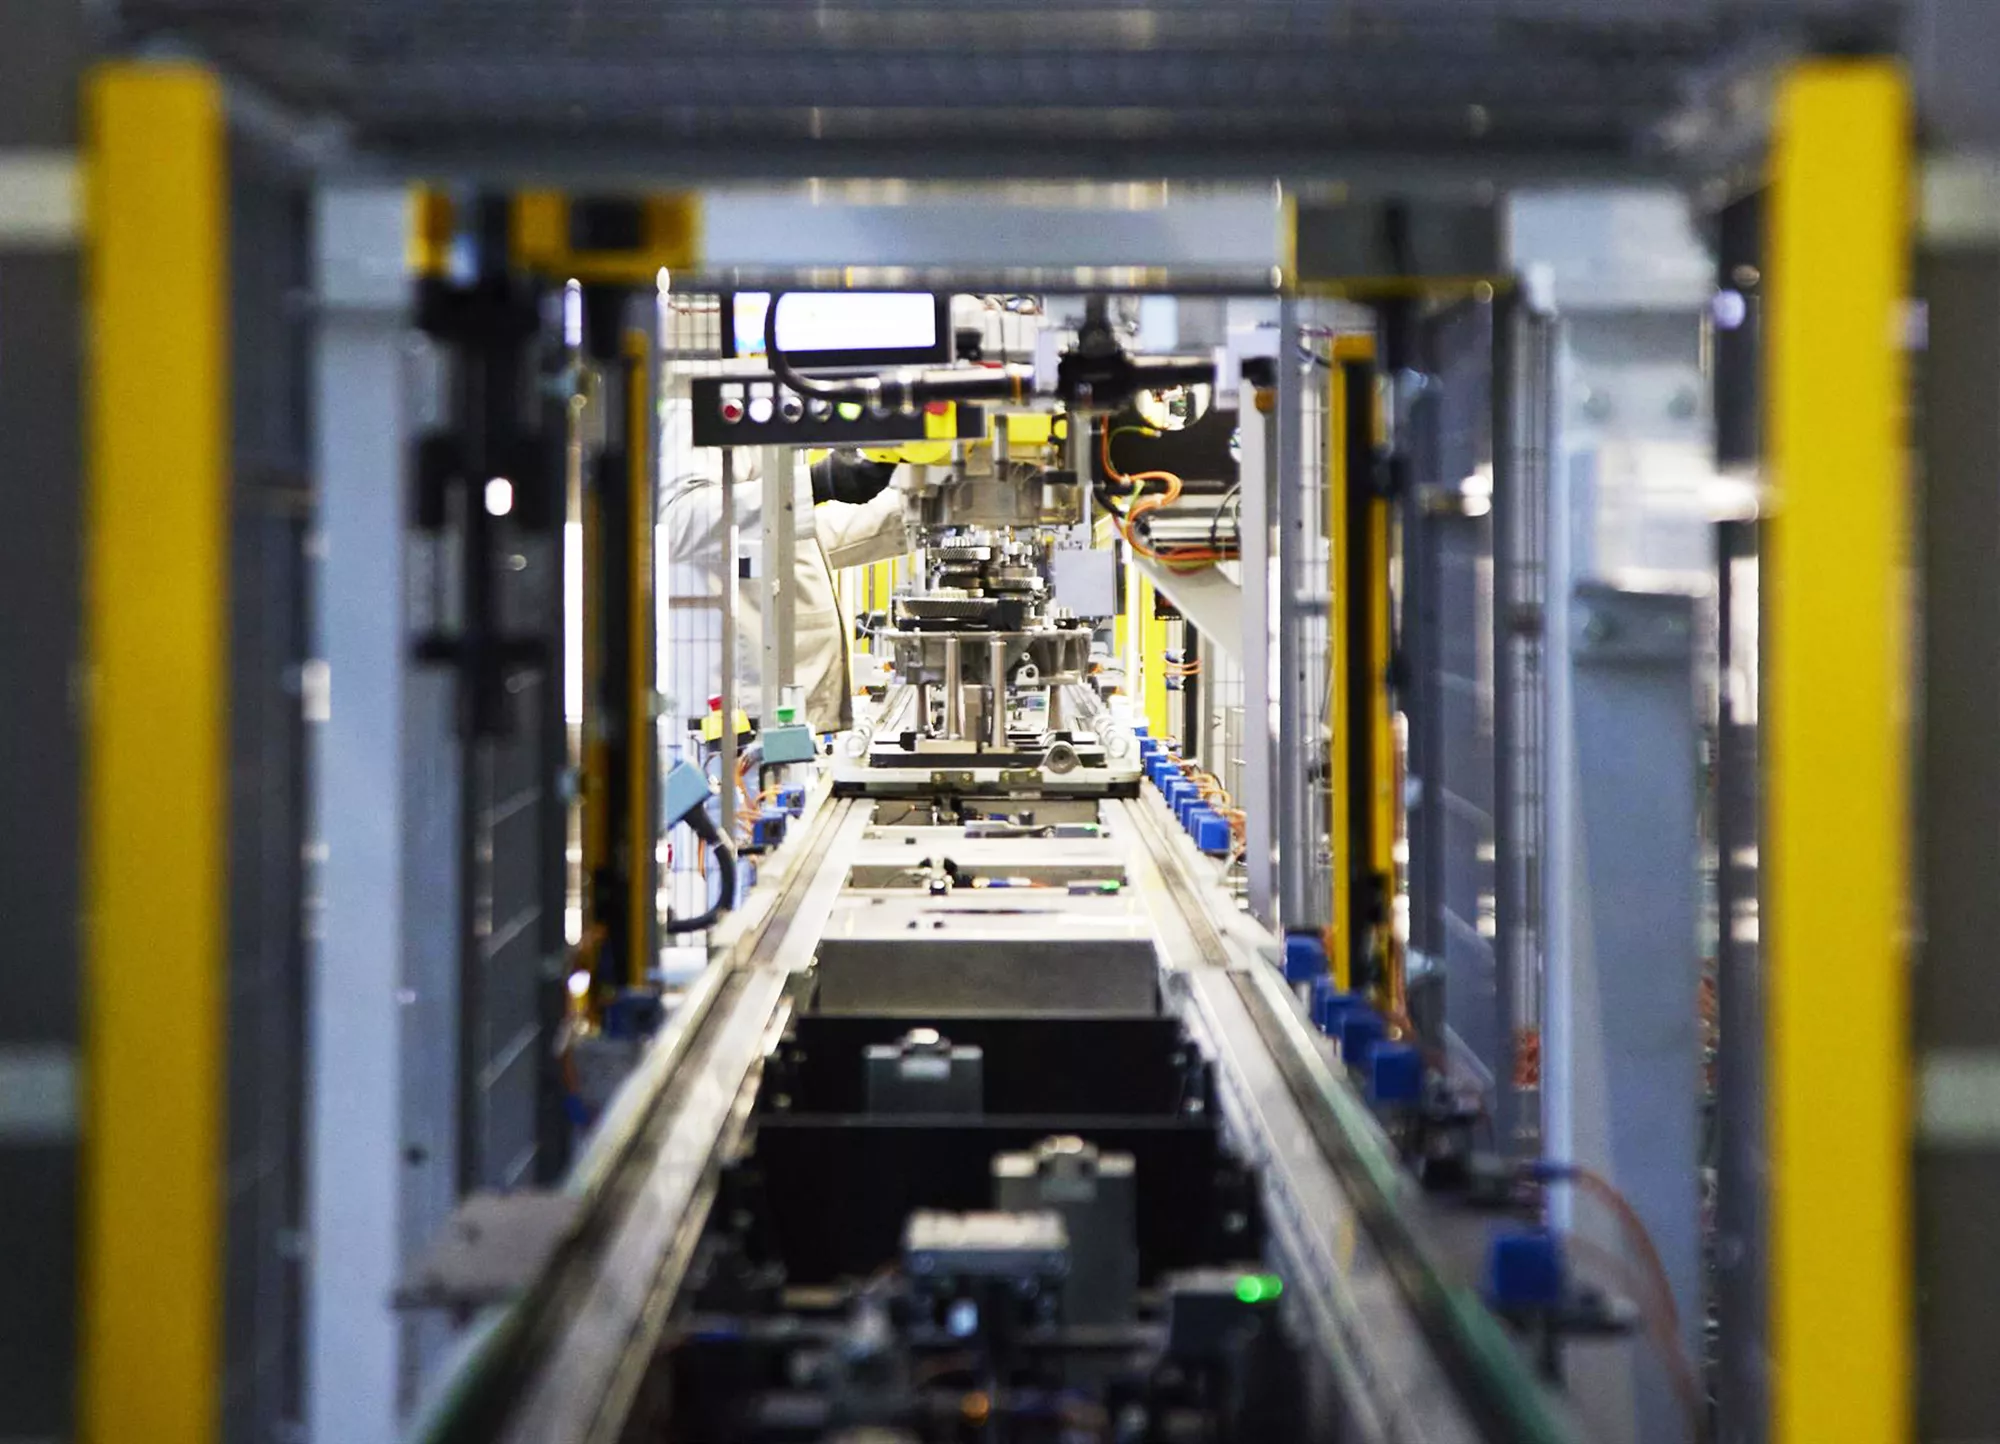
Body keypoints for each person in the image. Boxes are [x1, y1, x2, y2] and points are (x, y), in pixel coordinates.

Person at [661, 448, 907, 734]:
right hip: (742, 712)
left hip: (788, 702)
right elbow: (679, 519)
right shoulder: (701, 411)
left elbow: (795, 536)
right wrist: (814, 484)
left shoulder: (767, 423)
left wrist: (909, 513)